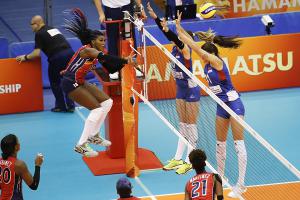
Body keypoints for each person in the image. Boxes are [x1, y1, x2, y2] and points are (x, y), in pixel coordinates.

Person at [176, 13, 247, 198]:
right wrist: (178, 28)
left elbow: (193, 46)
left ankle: (241, 184)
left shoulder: (216, 62)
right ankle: (220, 180)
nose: (201, 57)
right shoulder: (206, 63)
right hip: (220, 105)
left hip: (234, 104)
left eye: (203, 55)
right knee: (220, 145)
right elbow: (188, 43)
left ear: (211, 54)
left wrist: (184, 35)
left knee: (238, 144)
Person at [62, 8, 136, 156]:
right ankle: (81, 144)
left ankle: (94, 135)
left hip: (80, 81)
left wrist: (127, 63)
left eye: (104, 40)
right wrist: (125, 60)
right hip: (70, 83)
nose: (103, 42)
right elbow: (106, 57)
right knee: (96, 109)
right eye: (101, 40)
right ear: (92, 41)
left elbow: (111, 67)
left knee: (107, 102)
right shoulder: (88, 50)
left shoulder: (97, 53)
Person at [147, 3, 200, 175]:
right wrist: (155, 18)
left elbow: (174, 37)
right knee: (182, 125)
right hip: (180, 89)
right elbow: (168, 35)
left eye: (180, 37)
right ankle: (178, 158)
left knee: (191, 125)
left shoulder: (185, 51)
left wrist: (170, 28)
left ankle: (189, 160)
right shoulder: (174, 48)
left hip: (191, 90)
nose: (177, 38)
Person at [16, 15, 75, 113]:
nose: (31, 27)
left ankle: (61, 106)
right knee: (68, 80)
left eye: (32, 24)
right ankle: (71, 105)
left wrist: (25, 57)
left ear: (37, 23)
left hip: (57, 56)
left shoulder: (39, 33)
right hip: (70, 54)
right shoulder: (52, 29)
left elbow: (36, 54)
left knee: (55, 82)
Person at [93, 0, 145, 79]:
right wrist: (101, 13)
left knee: (129, 36)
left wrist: (141, 9)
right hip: (111, 10)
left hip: (127, 9)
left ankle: (134, 65)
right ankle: (114, 67)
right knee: (112, 38)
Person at [0, 134, 44, 199]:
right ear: (16, 147)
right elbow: (34, 185)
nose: (19, 144)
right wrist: (38, 165)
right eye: (18, 142)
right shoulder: (19, 165)